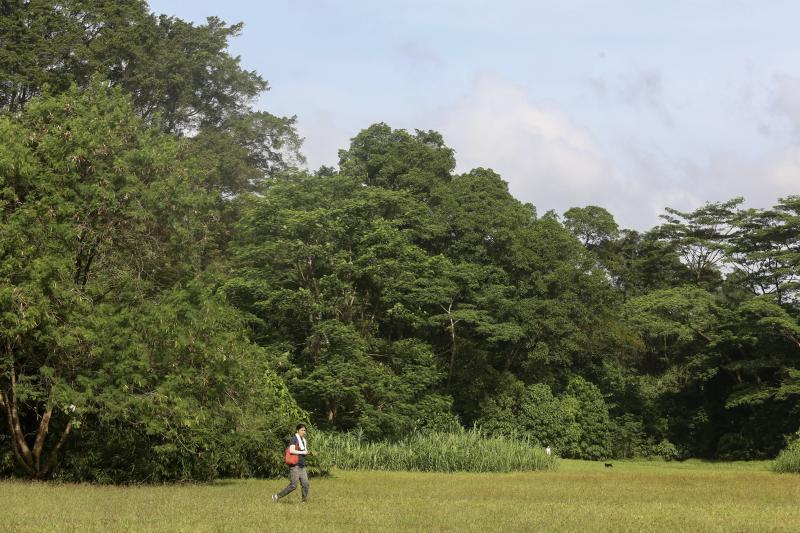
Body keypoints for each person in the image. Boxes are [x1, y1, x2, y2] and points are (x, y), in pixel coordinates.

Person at [272, 424, 310, 503]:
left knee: (305, 484)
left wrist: (307, 453)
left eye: (304, 430)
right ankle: (276, 496)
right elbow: (291, 450)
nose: (303, 432)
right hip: (294, 465)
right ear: (297, 430)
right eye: (302, 430)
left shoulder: (304, 440)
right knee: (293, 485)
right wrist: (303, 452)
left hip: (302, 465)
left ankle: (304, 501)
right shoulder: (294, 439)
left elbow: (302, 452)